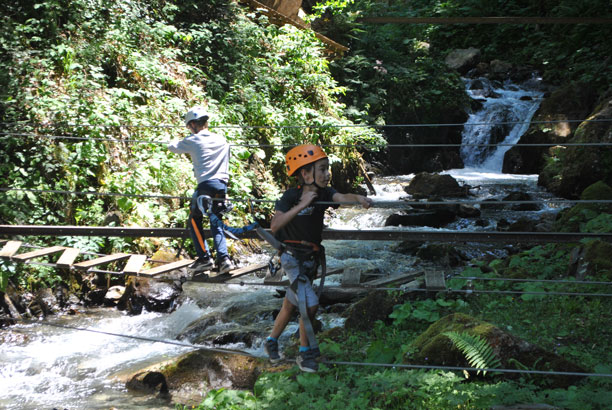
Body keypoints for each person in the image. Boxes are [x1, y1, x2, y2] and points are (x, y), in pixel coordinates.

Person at [263, 144, 372, 372]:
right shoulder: (290, 196)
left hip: (310, 259)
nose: (326, 174)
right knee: (309, 305)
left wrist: (358, 198)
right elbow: (275, 226)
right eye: (321, 169)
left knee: (292, 303)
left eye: (327, 169)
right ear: (305, 173)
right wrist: (302, 204)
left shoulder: (324, 193)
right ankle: (306, 354)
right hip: (292, 258)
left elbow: (342, 197)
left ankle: (271, 342)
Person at [168, 106, 234, 275]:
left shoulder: (194, 140)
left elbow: (173, 147)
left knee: (194, 218)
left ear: (193, 124)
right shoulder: (222, 140)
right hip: (221, 185)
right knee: (216, 220)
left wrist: (171, 139)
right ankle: (224, 259)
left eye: (189, 126)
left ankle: (204, 258)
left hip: (205, 185)